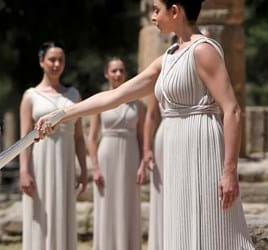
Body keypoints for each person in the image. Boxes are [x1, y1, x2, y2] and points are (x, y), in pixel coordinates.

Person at [36, 1, 255, 249]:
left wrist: (229, 171)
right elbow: (114, 97)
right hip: (175, 150)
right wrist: (63, 114)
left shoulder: (203, 51)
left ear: (175, 11)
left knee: (211, 223)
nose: (152, 17)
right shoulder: (168, 58)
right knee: (181, 223)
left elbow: (232, 109)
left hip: (201, 146)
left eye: (156, 10)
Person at [19, 41, 88, 250]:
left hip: (66, 160)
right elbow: (24, 137)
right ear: (42, 62)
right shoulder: (31, 96)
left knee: (63, 210)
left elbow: (79, 137)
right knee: (41, 213)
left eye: (61, 60)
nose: (56, 64)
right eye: (52, 59)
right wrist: (23, 170)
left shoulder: (74, 95)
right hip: (41, 160)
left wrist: (84, 170)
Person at [87, 57, 146, 250]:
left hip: (131, 155)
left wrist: (143, 164)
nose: (118, 74)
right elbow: (92, 138)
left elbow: (142, 136)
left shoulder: (137, 104)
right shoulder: (100, 100)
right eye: (114, 71)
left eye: (121, 70)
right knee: (107, 203)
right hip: (107, 156)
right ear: (107, 74)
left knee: (128, 203)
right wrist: (94, 167)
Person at [140, 94, 164, 250]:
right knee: (163, 194)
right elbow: (151, 114)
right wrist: (147, 149)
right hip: (165, 139)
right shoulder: (160, 72)